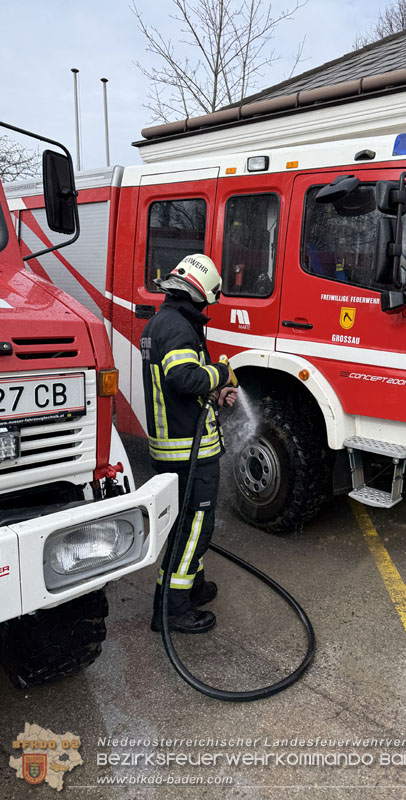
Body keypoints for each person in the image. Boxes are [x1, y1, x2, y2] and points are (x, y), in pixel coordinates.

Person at [140, 254, 238, 634]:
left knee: (193, 524)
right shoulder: (180, 327)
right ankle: (172, 607)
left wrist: (216, 394)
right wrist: (223, 372)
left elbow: (176, 388)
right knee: (193, 527)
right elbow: (184, 378)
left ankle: (191, 587)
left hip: (176, 446)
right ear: (201, 294)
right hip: (188, 451)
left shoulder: (162, 322)